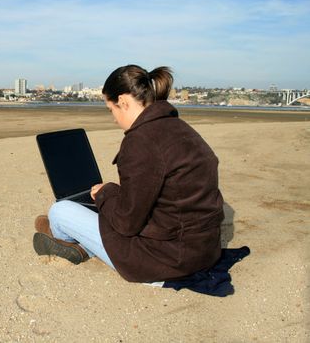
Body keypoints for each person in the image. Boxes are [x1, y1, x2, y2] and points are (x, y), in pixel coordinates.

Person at [33, 64, 224, 283]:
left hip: (165, 260)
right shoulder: (181, 129)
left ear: (123, 102)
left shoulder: (140, 141)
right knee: (102, 203)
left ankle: (70, 241)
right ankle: (82, 243)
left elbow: (127, 223)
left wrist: (108, 194)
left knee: (60, 210)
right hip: (205, 251)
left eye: (111, 109)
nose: (113, 118)